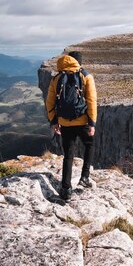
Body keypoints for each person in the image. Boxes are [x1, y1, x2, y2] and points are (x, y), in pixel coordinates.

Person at [46, 51, 97, 201]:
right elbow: (92, 101)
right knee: (89, 145)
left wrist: (54, 121)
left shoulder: (57, 78)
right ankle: (84, 177)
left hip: (64, 122)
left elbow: (50, 102)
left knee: (68, 155)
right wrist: (92, 123)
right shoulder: (86, 76)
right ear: (79, 62)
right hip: (82, 122)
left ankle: (66, 189)